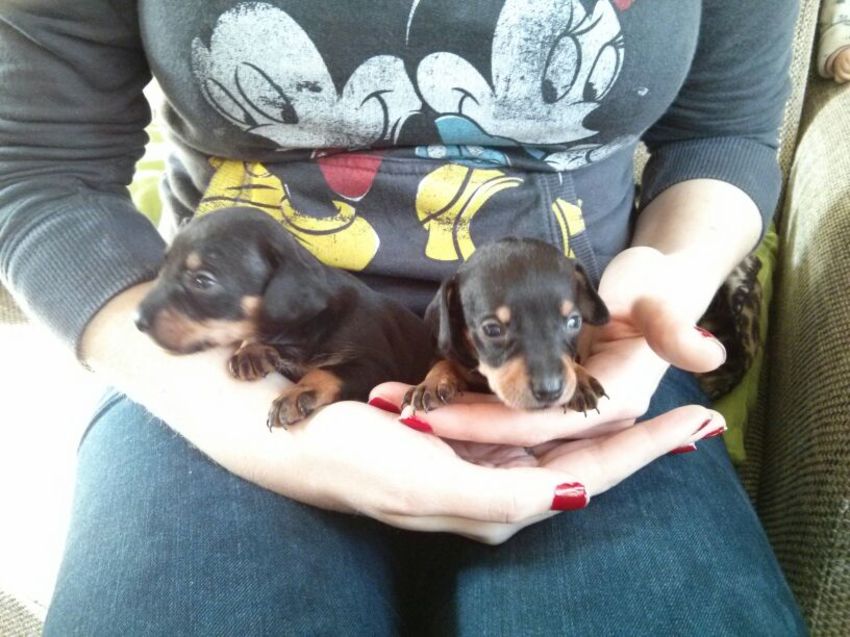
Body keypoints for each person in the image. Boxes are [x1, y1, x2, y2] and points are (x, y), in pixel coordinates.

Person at [0, 1, 807, 634]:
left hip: (595, 369)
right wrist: (249, 427)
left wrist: (666, 283)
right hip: (230, 373)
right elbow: (39, 170)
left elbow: (724, 132)